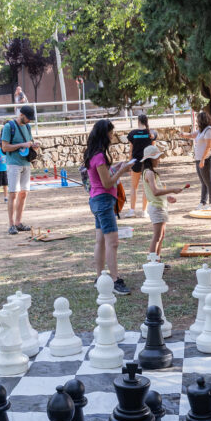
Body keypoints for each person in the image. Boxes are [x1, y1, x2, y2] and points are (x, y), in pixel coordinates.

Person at [84, 119, 136, 295]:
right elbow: (107, 183)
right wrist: (123, 170)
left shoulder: (94, 154)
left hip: (97, 200)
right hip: (104, 201)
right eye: (111, 133)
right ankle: (114, 280)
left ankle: (100, 277)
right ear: (104, 134)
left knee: (101, 241)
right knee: (112, 242)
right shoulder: (99, 156)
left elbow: (102, 176)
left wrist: (116, 167)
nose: (112, 136)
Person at [140, 144, 184, 262]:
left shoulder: (151, 173)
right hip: (156, 208)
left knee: (161, 236)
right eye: (157, 158)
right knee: (157, 237)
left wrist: (167, 196)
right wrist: (172, 190)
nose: (159, 160)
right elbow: (155, 192)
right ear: (151, 159)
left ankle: (157, 261)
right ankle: (153, 263)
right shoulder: (149, 173)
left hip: (160, 206)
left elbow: (156, 190)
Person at [1, 105, 39, 235]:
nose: (29, 121)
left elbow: (29, 142)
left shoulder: (27, 127)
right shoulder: (9, 127)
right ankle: (11, 224)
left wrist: (33, 145)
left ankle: (19, 222)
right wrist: (22, 145)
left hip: (26, 163)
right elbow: (5, 147)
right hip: (13, 164)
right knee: (13, 193)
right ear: (21, 115)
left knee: (24, 193)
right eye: (28, 118)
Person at [179, 111, 211, 208]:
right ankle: (203, 202)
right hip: (198, 159)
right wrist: (183, 134)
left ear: (202, 120)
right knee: (203, 181)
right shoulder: (201, 130)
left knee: (208, 181)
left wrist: (203, 159)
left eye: (198, 120)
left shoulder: (209, 130)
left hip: (206, 159)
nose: (196, 122)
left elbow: (208, 146)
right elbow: (192, 135)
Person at [124, 114, 157, 218]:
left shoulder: (133, 134)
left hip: (135, 163)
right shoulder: (152, 134)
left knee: (134, 187)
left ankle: (132, 211)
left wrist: (129, 164)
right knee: (146, 188)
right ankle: (144, 211)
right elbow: (154, 150)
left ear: (138, 121)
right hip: (147, 163)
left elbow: (131, 151)